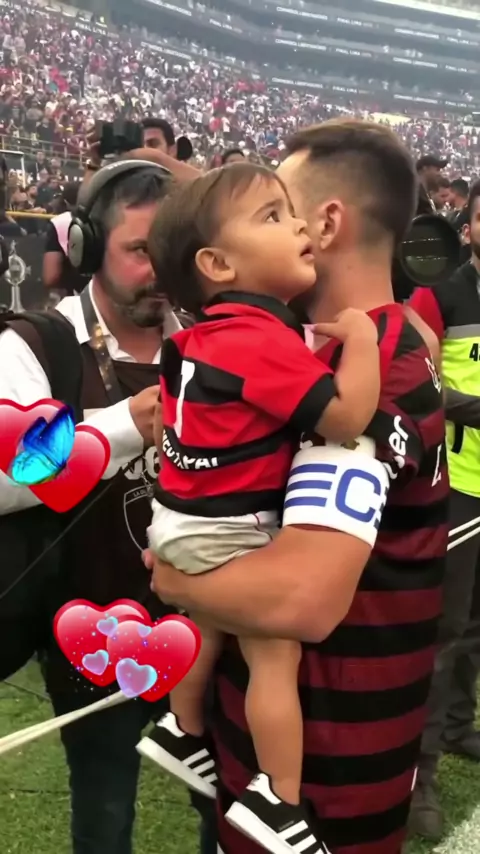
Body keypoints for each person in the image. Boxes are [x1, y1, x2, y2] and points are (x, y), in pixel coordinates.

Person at [145, 119, 448, 854]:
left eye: (280, 206)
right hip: (288, 752)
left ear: (326, 225)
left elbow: (302, 602)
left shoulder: (371, 368)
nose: (279, 223)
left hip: (322, 785)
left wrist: (174, 579)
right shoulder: (335, 351)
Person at [0, 158, 216, 854]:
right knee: (105, 809)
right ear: (89, 249)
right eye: (139, 251)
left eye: (172, 252)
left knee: (229, 807)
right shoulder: (35, 343)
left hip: (209, 625)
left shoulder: (214, 338)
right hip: (89, 632)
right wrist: (125, 424)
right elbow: (5, 476)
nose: (160, 270)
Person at [406, 178, 480, 841]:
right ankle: (421, 775)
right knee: (444, 632)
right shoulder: (441, 292)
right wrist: (472, 408)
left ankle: (459, 727)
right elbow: (416, 377)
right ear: (469, 226)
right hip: (459, 484)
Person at [42, 182, 89, 296]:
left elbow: (51, 277)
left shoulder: (60, 222)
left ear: (66, 202)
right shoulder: (111, 219)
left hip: (76, 296)